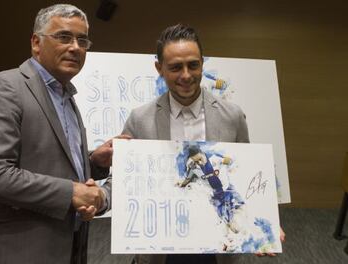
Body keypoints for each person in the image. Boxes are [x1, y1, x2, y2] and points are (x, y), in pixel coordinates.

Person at [0, 4, 126, 264]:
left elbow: (48, 160)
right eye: (64, 37)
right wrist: (72, 193)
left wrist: (95, 162)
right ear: (36, 42)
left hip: (70, 247)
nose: (75, 47)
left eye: (82, 40)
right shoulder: (4, 87)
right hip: (20, 251)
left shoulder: (65, 94)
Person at [122, 24, 284, 264]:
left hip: (217, 246)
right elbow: (127, 183)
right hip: (162, 246)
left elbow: (246, 175)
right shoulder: (139, 119)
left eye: (193, 65)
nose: (186, 75)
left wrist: (264, 221)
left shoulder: (233, 115)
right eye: (176, 67)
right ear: (159, 68)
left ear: (202, 63)